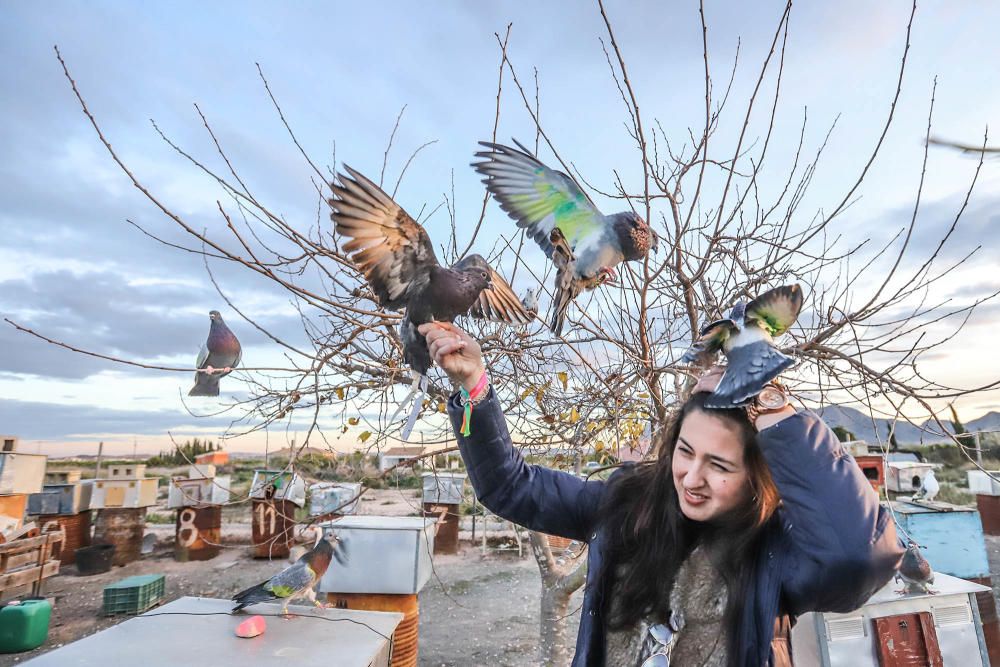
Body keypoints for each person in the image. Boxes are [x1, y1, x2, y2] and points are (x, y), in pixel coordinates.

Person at [419, 321, 903, 667]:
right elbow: (510, 487)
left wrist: (770, 405)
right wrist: (474, 386)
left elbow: (859, 559)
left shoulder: (774, 550)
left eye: (719, 465)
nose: (692, 477)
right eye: (686, 452)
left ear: (758, 475)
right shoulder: (627, 503)